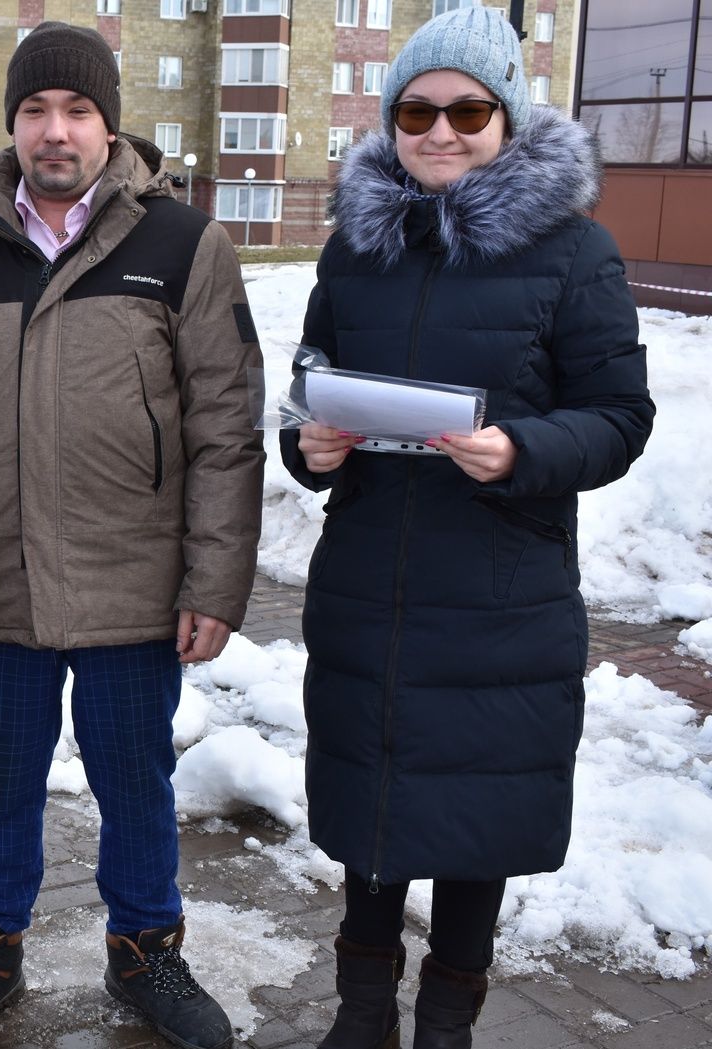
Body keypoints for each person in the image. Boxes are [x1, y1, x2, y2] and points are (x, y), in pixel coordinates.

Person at [281, 9, 655, 1049]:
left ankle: (444, 1024)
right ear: (390, 119)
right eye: (414, 108)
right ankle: (360, 1020)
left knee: (470, 828)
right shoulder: (354, 246)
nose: (438, 129)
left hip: (497, 594)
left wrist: (520, 450)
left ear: (505, 115)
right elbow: (309, 388)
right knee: (367, 812)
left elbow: (619, 417)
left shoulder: (572, 251)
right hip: (368, 588)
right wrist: (305, 446)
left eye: (465, 107)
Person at [0, 21, 265, 1049]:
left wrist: (214, 581)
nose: (54, 131)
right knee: (3, 774)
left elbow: (225, 428)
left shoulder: (181, 244)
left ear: (108, 124)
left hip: (132, 577)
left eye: (77, 111)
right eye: (34, 111)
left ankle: (146, 950)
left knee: (130, 778)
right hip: (3, 570)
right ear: (11, 122)